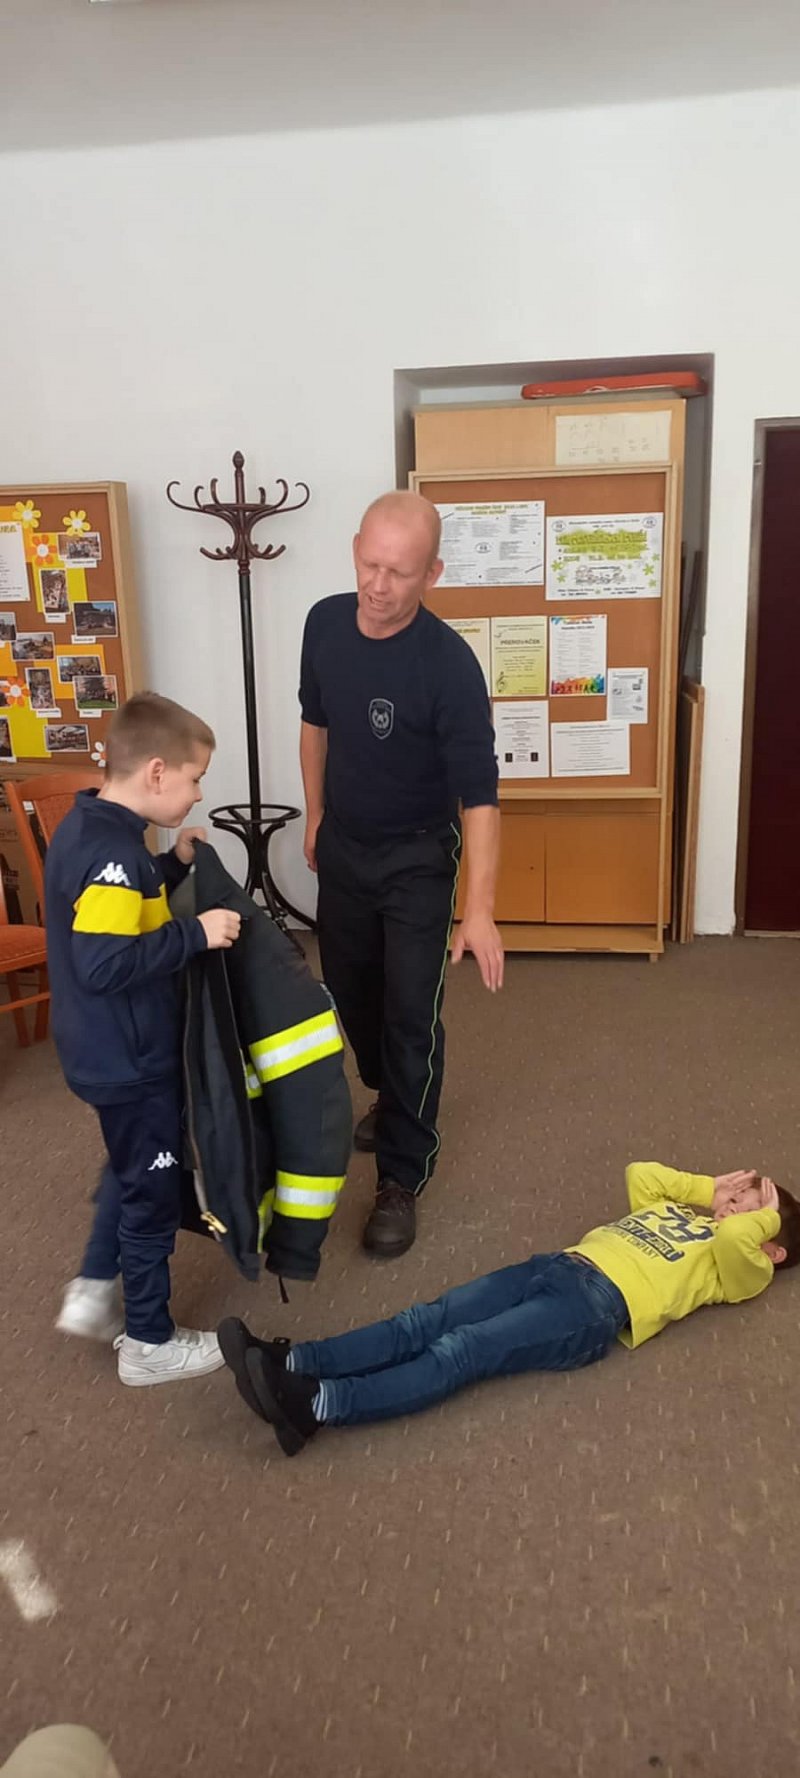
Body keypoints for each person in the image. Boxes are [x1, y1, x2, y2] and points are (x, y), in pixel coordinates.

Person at [218, 1162, 800, 1457]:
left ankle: (319, 1405)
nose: (732, 1207)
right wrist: (704, 1189)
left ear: (770, 1248)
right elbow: (640, 1174)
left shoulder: (740, 1272)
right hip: (559, 1264)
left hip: (594, 1308)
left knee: (460, 1349)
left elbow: (735, 1240)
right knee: (427, 1317)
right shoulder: (688, 1213)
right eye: (737, 1197)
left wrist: (764, 1218)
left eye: (748, 1208)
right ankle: (298, 1362)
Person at [299, 490, 503, 1260]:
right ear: (356, 548)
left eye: (400, 572)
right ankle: (389, 1096)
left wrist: (477, 909)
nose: (378, 586)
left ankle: (400, 1176)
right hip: (345, 846)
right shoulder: (324, 623)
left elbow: (480, 798)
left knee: (410, 1011)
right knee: (352, 994)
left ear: (432, 574)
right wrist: (315, 814)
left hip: (419, 857)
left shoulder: (449, 666)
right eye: (370, 564)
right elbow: (314, 724)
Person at [46, 691, 241, 1387]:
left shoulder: (89, 828)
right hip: (130, 1056)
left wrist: (174, 867)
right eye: (194, 778)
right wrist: (196, 934)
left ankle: (95, 1287)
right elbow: (104, 962)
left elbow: (117, 910)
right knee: (152, 1192)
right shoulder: (117, 857)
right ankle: (149, 1343)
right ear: (157, 772)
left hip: (98, 1050)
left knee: (132, 1164)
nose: (197, 794)